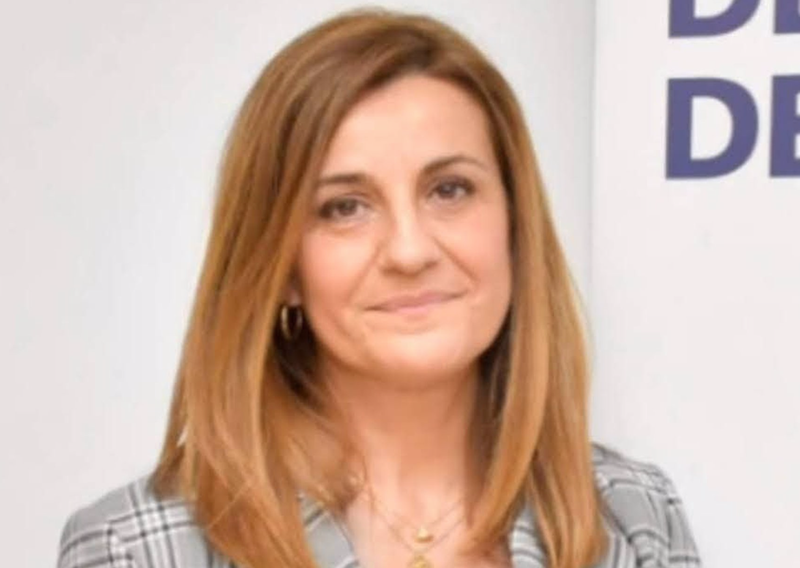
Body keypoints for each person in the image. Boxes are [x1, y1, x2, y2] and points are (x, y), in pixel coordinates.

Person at [57, 8, 702, 568]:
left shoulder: (634, 516)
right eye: (345, 207)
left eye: (449, 190)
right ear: (281, 267)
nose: (409, 251)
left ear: (514, 225)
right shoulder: (139, 548)